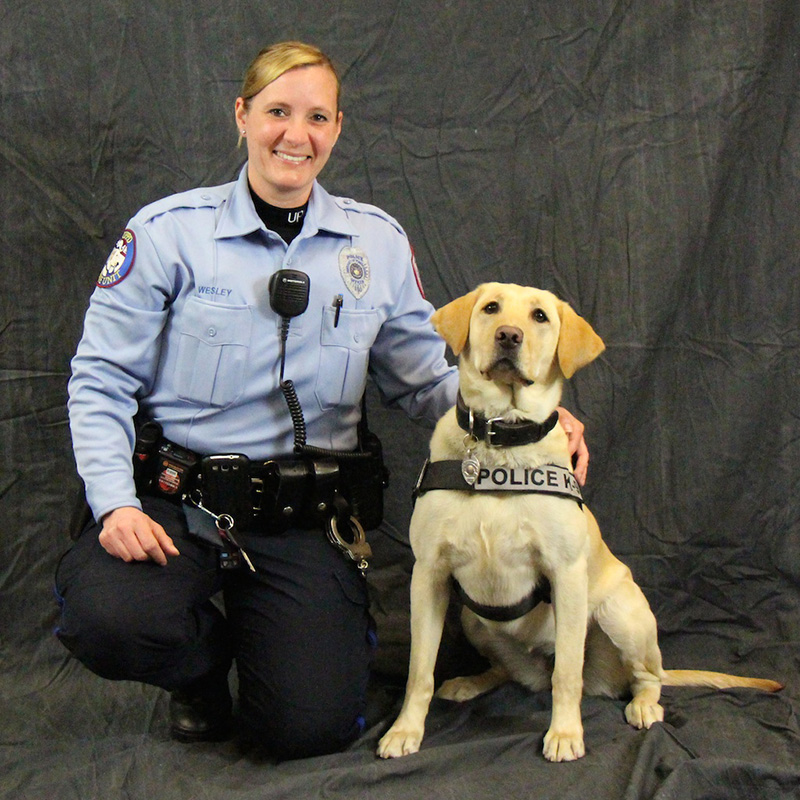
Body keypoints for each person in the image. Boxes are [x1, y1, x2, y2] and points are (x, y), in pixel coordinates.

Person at [55, 41, 589, 759]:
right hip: (175, 502)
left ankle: (279, 646)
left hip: (302, 516)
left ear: (336, 128)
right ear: (242, 115)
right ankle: (202, 672)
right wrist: (114, 501)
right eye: (277, 112)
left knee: (307, 729)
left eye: (315, 117)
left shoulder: (376, 244)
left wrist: (531, 424)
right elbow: (99, 378)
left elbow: (425, 378)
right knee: (107, 617)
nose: (294, 136)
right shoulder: (167, 235)